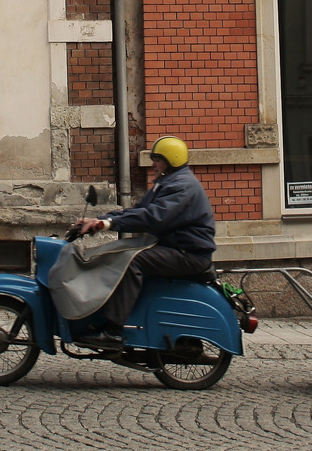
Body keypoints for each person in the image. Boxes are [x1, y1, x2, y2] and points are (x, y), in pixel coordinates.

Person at [68, 135, 215, 346]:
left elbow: (154, 217)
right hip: (177, 248)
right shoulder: (168, 182)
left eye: (157, 159)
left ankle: (113, 331)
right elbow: (138, 211)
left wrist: (109, 224)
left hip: (189, 253)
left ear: (170, 160)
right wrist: (100, 220)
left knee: (132, 261)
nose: (154, 163)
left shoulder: (182, 186)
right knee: (118, 253)